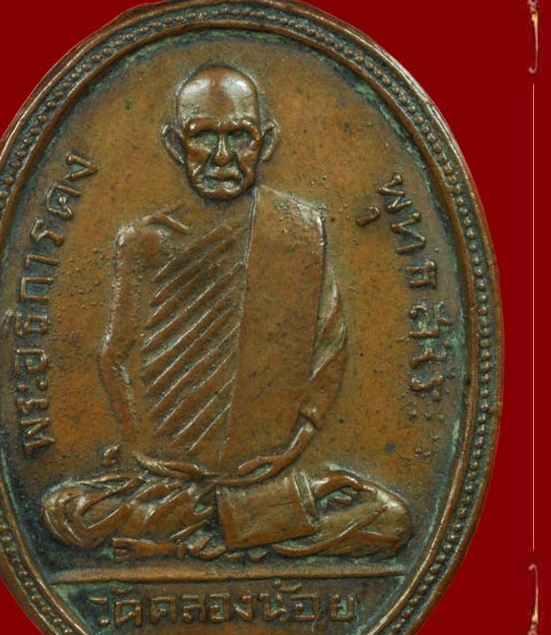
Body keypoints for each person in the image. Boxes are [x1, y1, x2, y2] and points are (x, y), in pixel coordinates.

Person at [42, 65, 411, 561]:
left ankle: (215, 524)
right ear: (175, 145)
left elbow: (329, 353)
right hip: (169, 475)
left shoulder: (298, 231)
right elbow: (115, 356)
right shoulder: (145, 240)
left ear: (266, 142)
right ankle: (245, 525)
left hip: (268, 471)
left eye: (239, 136)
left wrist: (290, 449)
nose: (221, 156)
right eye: (203, 137)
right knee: (66, 512)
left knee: (391, 519)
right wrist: (147, 449)